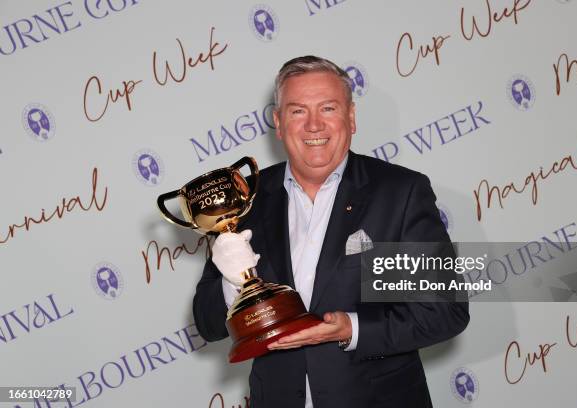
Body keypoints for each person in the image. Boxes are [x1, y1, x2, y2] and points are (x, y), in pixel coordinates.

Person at [193, 55, 469, 408]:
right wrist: (232, 283)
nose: (313, 125)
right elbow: (207, 323)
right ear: (278, 123)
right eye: (297, 111)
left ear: (351, 118)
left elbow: (444, 312)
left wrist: (351, 330)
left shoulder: (399, 194)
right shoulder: (243, 201)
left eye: (328, 108)